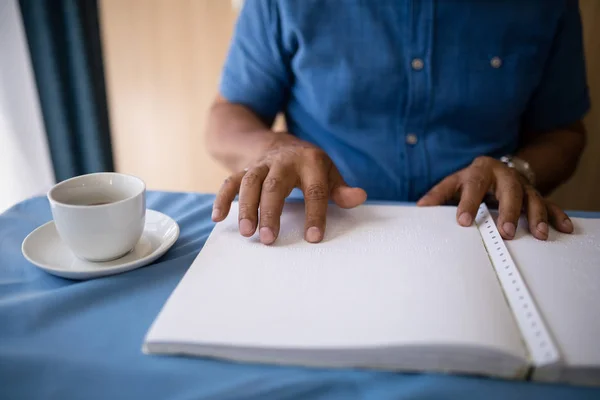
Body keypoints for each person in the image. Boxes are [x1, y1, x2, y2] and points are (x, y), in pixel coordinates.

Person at [206, 0, 590, 245]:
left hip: (484, 232)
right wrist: (276, 147)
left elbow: (564, 133)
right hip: (318, 228)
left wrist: (517, 170)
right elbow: (226, 118)